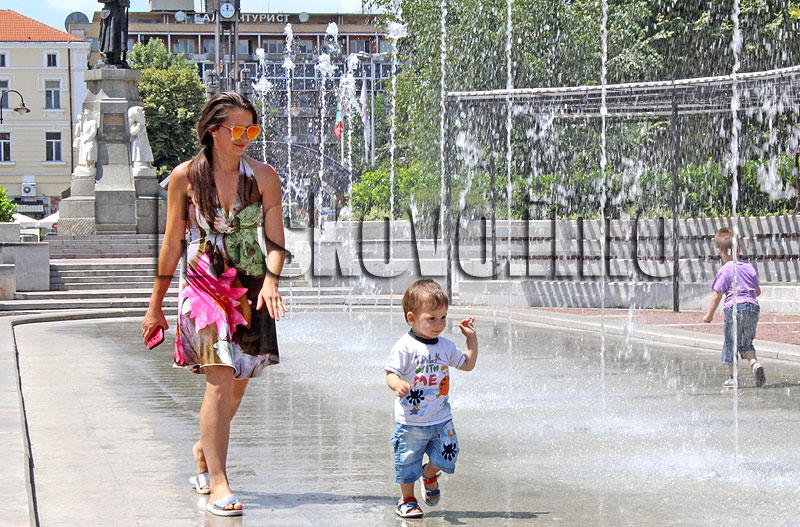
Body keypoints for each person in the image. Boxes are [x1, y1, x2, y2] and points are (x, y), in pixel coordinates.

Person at [141, 92, 287, 517]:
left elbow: (275, 241)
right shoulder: (185, 176)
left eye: (251, 129)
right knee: (220, 378)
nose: (245, 137)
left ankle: (204, 450)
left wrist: (272, 281)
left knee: (237, 384)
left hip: (249, 284)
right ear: (212, 130)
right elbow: (172, 243)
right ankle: (219, 481)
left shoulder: (264, 176)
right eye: (237, 129)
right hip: (203, 283)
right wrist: (155, 305)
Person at [384, 279, 478, 518]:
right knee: (407, 461)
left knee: (449, 453)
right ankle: (407, 500)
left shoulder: (445, 346)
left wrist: (471, 339)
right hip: (411, 421)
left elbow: (467, 364)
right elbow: (390, 373)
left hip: (441, 418)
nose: (439, 324)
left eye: (443, 317)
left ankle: (429, 474)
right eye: (432, 318)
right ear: (412, 318)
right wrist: (397, 384)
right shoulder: (405, 346)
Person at [703, 227, 765, 388]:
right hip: (753, 308)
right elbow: (757, 291)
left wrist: (709, 315)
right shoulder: (748, 267)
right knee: (746, 342)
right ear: (739, 248)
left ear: (719, 251)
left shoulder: (725, 270)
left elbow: (717, 295)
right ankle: (755, 364)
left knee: (731, 342)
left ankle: (733, 377)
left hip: (735, 309)